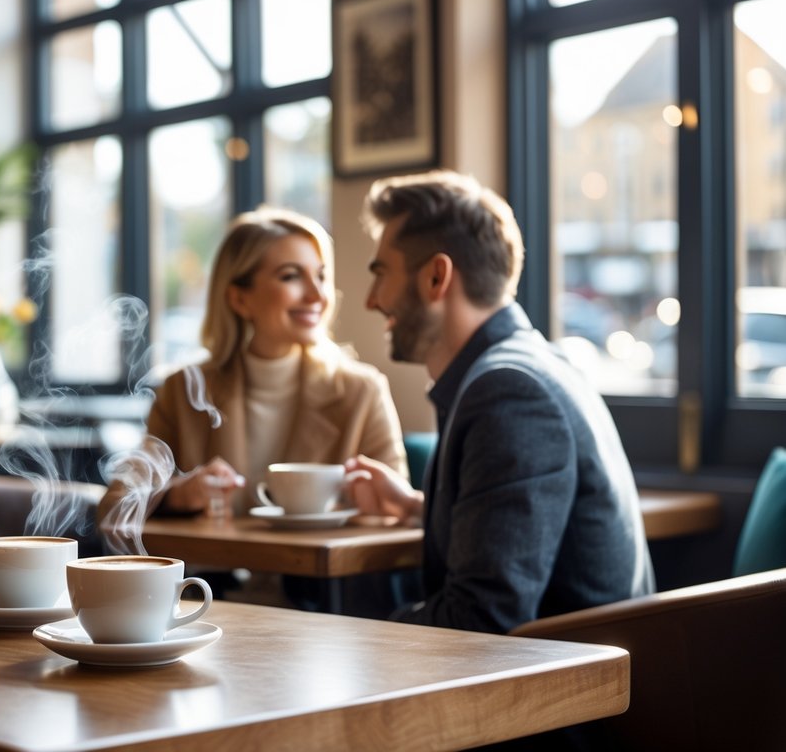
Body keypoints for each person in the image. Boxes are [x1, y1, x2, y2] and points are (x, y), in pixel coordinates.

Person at [348, 170, 654, 634]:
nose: (372, 301)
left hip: (570, 694)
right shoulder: (530, 366)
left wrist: (350, 643)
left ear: (436, 277)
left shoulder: (508, 392)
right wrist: (416, 507)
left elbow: (481, 622)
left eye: (381, 274)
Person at [100, 206, 408, 528]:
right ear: (239, 299)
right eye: (291, 276)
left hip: (320, 578)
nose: (317, 295)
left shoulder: (362, 392)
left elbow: (396, 513)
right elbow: (114, 506)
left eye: (320, 275)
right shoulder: (185, 389)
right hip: (208, 579)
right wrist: (178, 495)